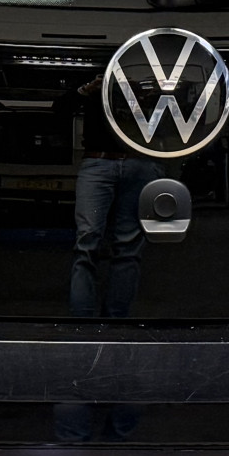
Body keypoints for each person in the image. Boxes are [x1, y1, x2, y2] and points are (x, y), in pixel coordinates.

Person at [54, 77, 156, 317]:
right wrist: (86, 89)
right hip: (100, 162)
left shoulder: (147, 87)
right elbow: (59, 108)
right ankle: (84, 318)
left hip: (137, 164)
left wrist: (148, 95)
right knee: (88, 240)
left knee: (128, 246)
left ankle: (115, 317)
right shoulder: (96, 87)